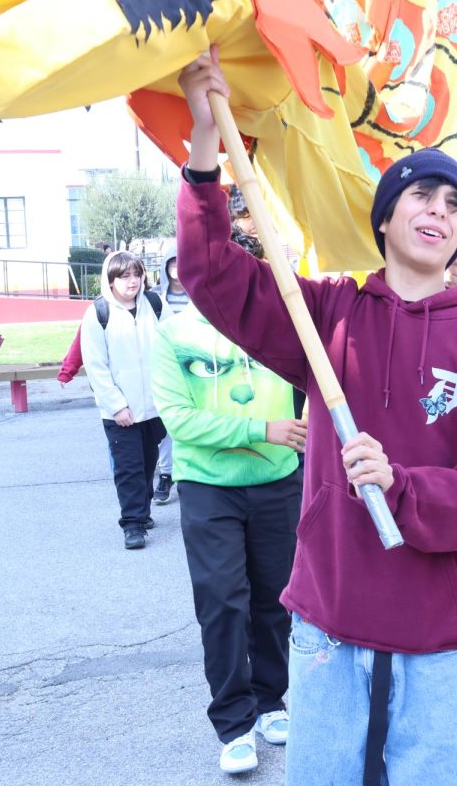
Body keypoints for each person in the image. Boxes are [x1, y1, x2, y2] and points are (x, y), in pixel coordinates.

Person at [175, 49, 457, 786]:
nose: (437, 211)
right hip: (329, 625)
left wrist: (402, 486)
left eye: (453, 205)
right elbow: (211, 273)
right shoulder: (327, 316)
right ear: (385, 217)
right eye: (421, 196)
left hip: (446, 631)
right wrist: (206, 137)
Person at [153, 300, 306, 774]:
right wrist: (262, 428)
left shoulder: (282, 322)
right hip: (207, 487)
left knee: (274, 599)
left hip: (278, 483)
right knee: (222, 602)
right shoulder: (175, 333)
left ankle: (269, 701)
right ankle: (235, 723)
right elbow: (177, 418)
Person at [80, 251, 173, 550]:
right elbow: (96, 366)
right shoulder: (98, 313)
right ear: (110, 280)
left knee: (148, 464)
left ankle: (142, 511)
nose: (133, 281)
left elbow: (174, 344)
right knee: (128, 467)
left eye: (137, 274)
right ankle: (132, 524)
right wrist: (116, 405)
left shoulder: (156, 305)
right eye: (124, 276)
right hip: (120, 410)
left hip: (155, 406)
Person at [152, 251, 190, 506]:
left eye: (180, 262)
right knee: (168, 423)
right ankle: (166, 474)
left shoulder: (198, 290)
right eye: (171, 264)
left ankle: (187, 473)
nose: (176, 268)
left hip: (194, 361)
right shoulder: (155, 297)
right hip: (167, 363)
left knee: (193, 419)